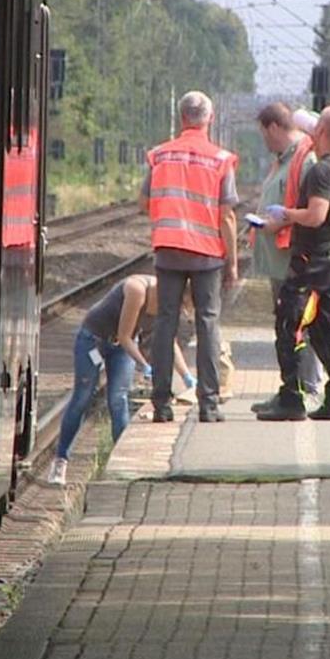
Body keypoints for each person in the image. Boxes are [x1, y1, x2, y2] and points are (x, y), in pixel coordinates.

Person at [139, 90, 238, 424]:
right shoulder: (219, 159)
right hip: (207, 254)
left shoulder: (161, 155)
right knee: (208, 322)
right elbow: (227, 215)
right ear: (209, 119)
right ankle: (209, 405)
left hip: (168, 250)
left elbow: (144, 203)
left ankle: (161, 405)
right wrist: (233, 261)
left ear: (182, 118)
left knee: (166, 322)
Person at [260, 105, 330, 422]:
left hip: (311, 260)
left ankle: (292, 397)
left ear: (320, 132)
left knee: (289, 325)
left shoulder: (322, 170)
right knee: (326, 330)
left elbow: (316, 215)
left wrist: (286, 214)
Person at [249, 102, 326, 415]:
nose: (264, 142)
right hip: (280, 260)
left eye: (264, 134)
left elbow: (310, 209)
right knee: (286, 326)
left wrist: (275, 223)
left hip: (294, 259)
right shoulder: (282, 161)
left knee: (297, 325)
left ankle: (304, 390)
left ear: (273, 128)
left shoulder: (303, 159)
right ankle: (289, 389)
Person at [47, 275, 156, 485]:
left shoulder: (169, 301)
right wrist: (144, 364)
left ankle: (119, 463)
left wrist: (185, 377)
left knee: (118, 399)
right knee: (82, 397)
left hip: (123, 347)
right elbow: (125, 336)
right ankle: (60, 460)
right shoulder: (137, 289)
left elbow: (168, 341)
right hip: (93, 340)